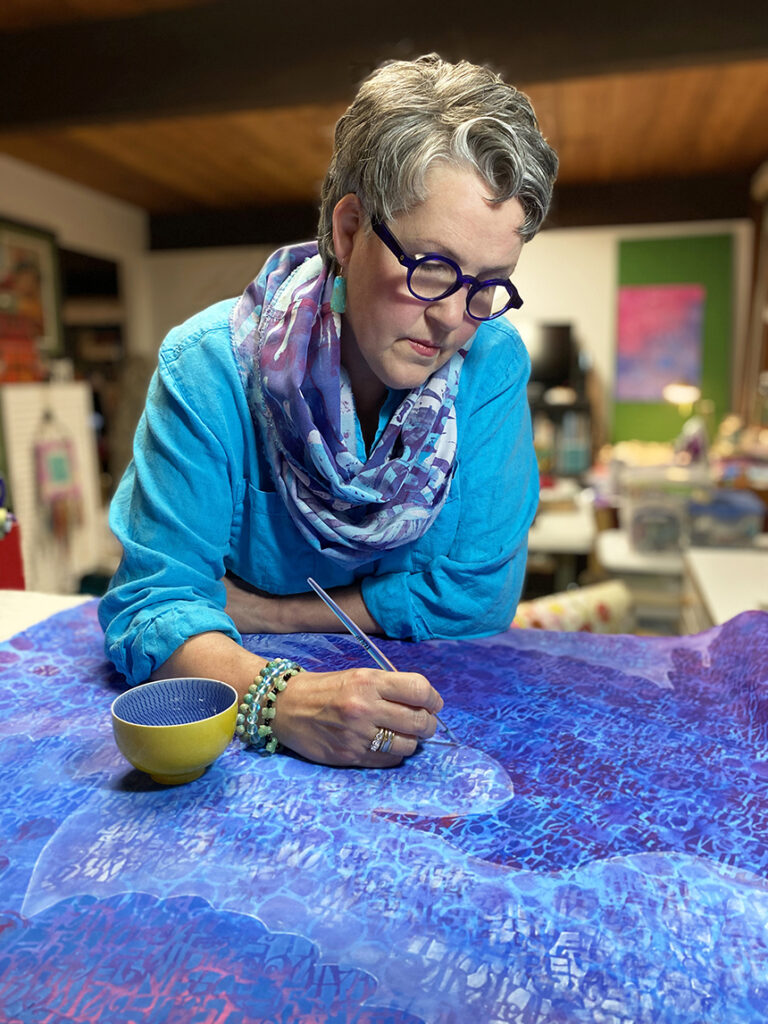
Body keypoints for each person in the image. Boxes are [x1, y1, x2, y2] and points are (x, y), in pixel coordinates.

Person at [99, 53, 558, 768]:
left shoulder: (491, 363)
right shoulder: (208, 370)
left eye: (486, 286)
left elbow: (478, 599)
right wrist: (285, 700)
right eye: (431, 269)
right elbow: (151, 608)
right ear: (349, 231)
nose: (453, 322)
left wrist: (263, 614)